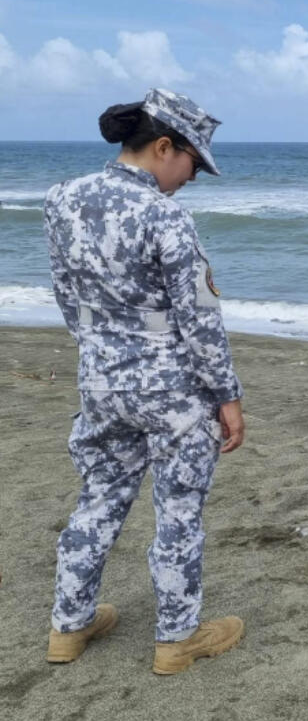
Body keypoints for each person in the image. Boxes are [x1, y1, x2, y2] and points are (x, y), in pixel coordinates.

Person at [43, 88, 247, 675]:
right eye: (192, 164)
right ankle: (177, 638)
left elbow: (66, 296)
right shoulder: (165, 215)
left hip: (101, 382)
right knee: (178, 510)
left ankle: (70, 623)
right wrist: (227, 397)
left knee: (98, 498)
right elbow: (199, 319)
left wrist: (102, 353)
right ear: (164, 147)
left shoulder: (63, 199)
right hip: (171, 392)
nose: (192, 178)